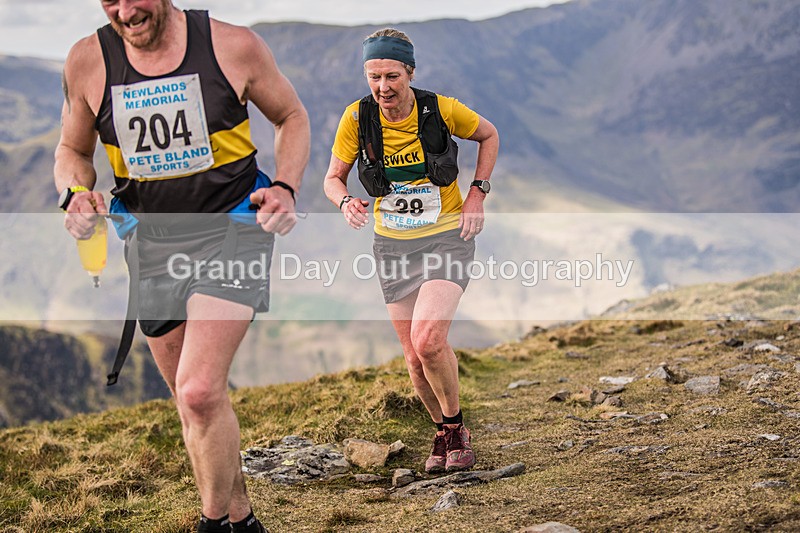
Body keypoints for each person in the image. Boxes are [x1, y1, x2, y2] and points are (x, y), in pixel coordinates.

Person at [54, 1, 309, 531]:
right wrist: (75, 193)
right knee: (193, 402)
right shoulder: (87, 61)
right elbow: (72, 150)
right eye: (110, 0)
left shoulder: (231, 45)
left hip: (233, 229)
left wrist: (285, 186)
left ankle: (211, 524)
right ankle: (243, 521)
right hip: (150, 243)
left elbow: (291, 116)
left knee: (197, 390)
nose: (125, 11)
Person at [323, 28, 499, 474]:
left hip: (445, 236)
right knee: (413, 360)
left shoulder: (440, 109)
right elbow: (332, 178)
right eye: (374, 76)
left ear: (410, 73)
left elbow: (489, 135)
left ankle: (457, 428)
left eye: (391, 76)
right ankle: (443, 432)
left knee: (429, 340)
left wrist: (477, 194)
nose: (383, 87)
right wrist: (345, 201)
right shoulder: (357, 119)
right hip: (393, 244)